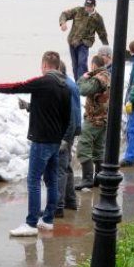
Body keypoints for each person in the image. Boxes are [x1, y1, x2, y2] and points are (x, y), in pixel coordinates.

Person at [0, 51, 71, 237]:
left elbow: (18, 86)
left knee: (33, 180)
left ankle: (31, 223)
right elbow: (66, 117)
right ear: (57, 66)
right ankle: (48, 219)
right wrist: (60, 137)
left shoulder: (43, 82)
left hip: (41, 141)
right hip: (55, 142)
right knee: (51, 180)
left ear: (44, 65)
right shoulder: (64, 86)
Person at [74, 55, 111, 190]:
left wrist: (83, 78)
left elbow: (82, 90)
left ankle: (87, 179)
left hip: (94, 119)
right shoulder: (107, 75)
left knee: (84, 147)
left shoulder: (98, 79)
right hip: (103, 118)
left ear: (94, 65)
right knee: (98, 149)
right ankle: (99, 178)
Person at [59, 0, 109, 80]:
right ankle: (77, 83)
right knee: (75, 65)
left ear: (94, 6)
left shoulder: (98, 18)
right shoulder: (78, 10)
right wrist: (63, 23)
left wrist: (106, 47)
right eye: (86, 6)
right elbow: (64, 14)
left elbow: (102, 34)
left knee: (82, 63)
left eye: (89, 6)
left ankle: (83, 82)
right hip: (73, 41)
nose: (87, 8)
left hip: (84, 43)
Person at [56, 61, 81, 216]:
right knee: (66, 166)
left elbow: (70, 114)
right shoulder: (70, 83)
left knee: (60, 167)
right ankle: (70, 200)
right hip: (71, 130)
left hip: (66, 132)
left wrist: (64, 139)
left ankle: (58, 206)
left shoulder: (66, 86)